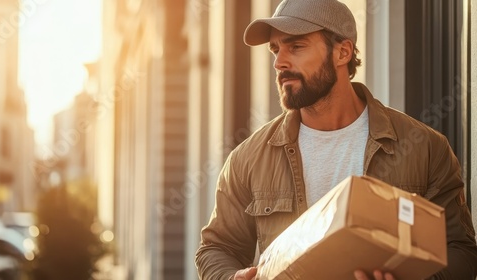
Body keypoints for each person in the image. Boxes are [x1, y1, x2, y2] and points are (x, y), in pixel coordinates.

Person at [195, 0, 477, 279]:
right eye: (276, 49)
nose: (279, 62)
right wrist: (233, 277)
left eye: (296, 46)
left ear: (342, 52)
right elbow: (216, 249)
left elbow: (461, 253)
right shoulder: (249, 159)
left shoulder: (424, 148)